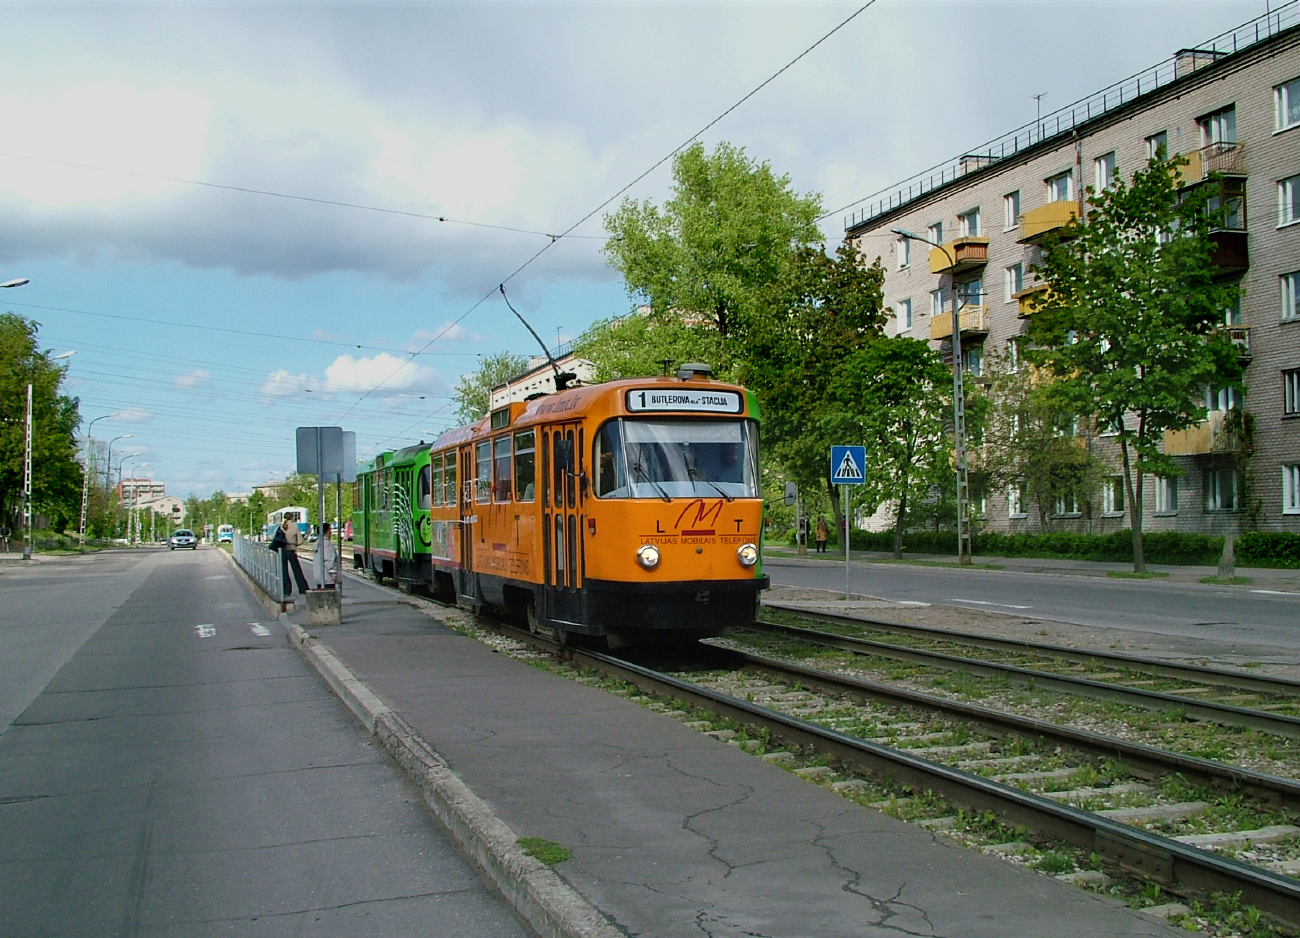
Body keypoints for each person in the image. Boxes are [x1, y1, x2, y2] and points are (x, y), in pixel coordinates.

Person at [275, 516, 310, 598]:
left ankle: (286, 591)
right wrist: (295, 543)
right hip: (291, 551)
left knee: (284, 571)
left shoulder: (281, 526)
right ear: (292, 518)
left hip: (282, 551)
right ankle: (303, 588)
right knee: (297, 570)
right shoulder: (295, 526)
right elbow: (300, 540)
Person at [316, 522, 340, 588]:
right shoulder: (326, 544)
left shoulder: (317, 543)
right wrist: (333, 573)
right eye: (330, 530)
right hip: (327, 578)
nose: (331, 532)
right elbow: (329, 560)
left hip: (319, 577)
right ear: (326, 531)